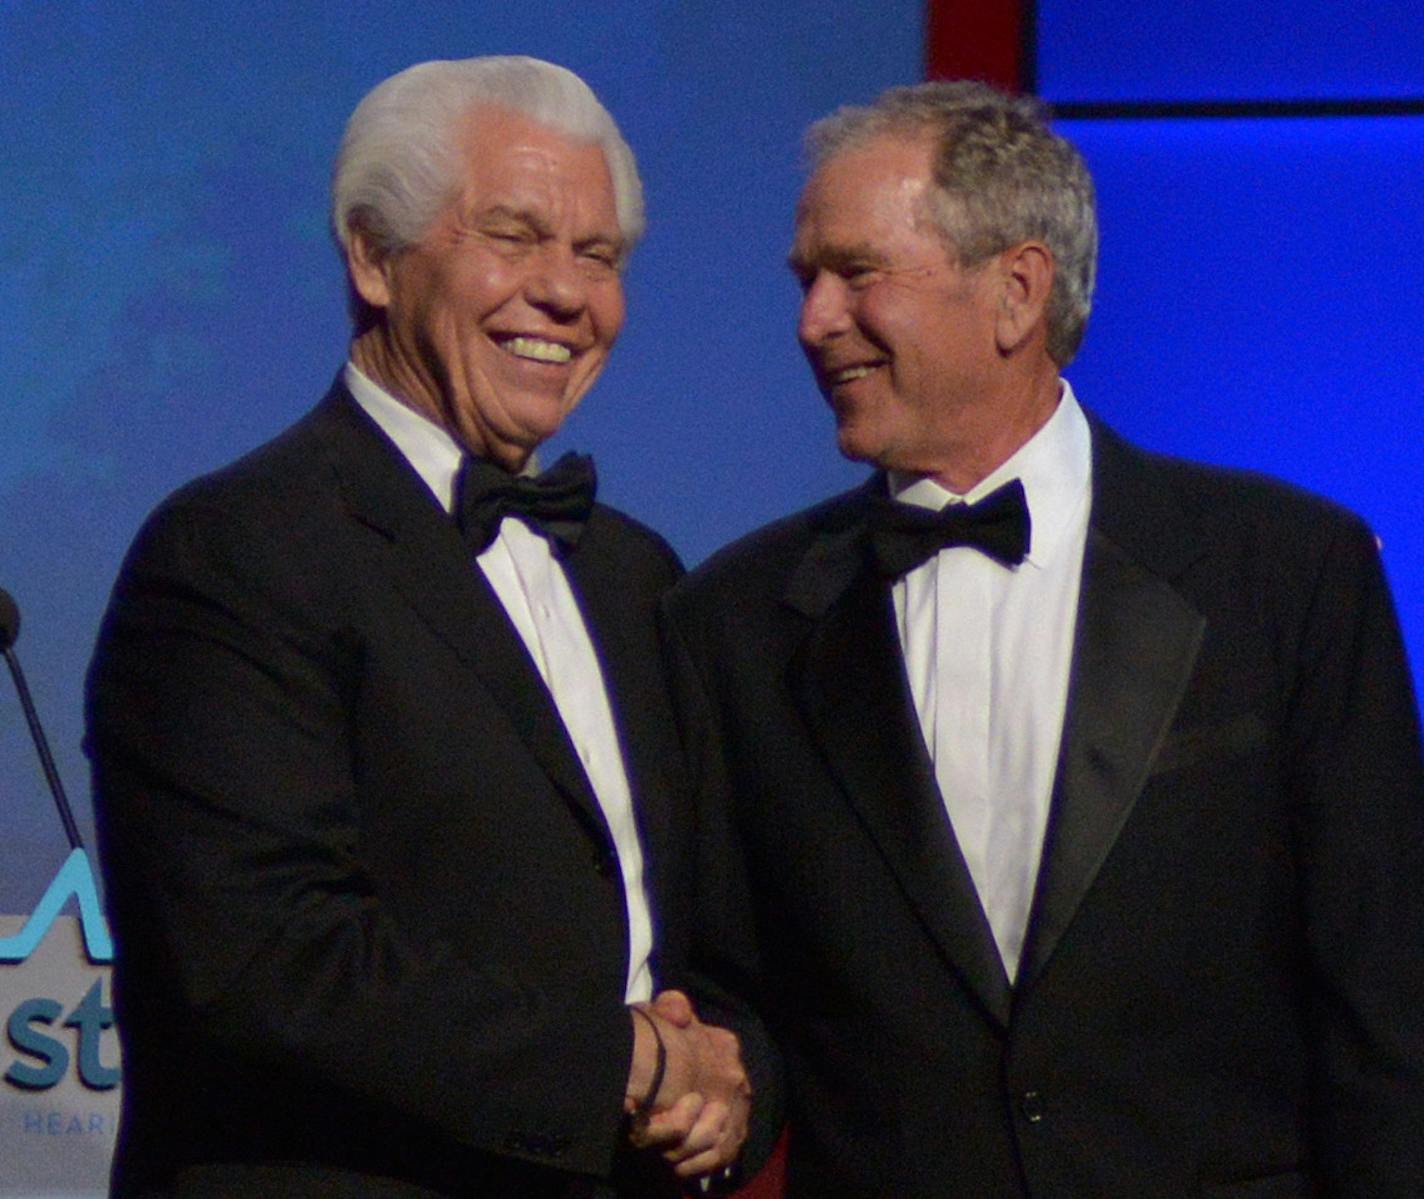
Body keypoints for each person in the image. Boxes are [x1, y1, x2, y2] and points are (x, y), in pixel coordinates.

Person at [662, 80, 1424, 1197]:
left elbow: (1383, 1006)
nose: (812, 320)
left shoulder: (1287, 573)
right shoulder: (737, 620)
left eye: (855, 273)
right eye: (805, 279)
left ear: (1016, 289)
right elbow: (737, 997)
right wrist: (713, 1090)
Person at [87, 55, 773, 1199]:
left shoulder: (637, 571)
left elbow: (721, 944)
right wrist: (631, 1062)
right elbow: (269, 956)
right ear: (371, 256)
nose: (565, 292)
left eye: (596, 255)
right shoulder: (236, 548)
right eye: (512, 236)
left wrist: (731, 1084)